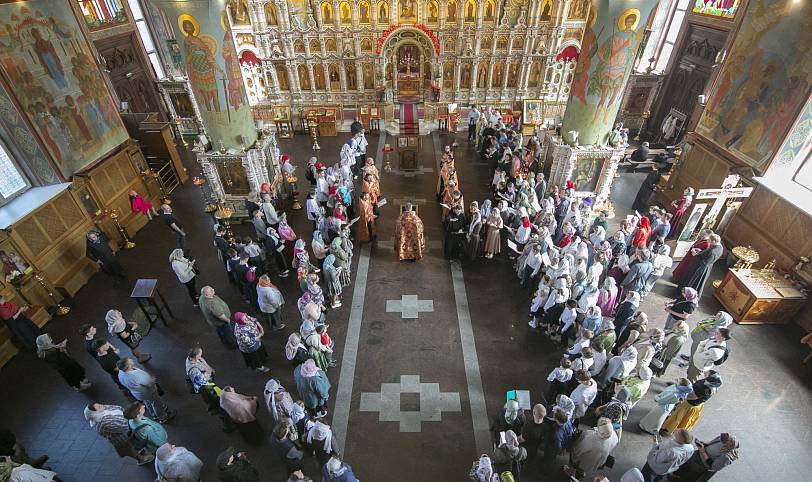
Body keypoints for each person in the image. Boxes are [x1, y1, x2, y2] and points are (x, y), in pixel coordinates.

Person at [85, 403, 154, 465]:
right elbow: (125, 425)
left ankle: (141, 452)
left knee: (134, 446)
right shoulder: (104, 422)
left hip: (125, 432)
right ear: (95, 413)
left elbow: (117, 408)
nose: (102, 406)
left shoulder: (101, 412)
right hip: (122, 438)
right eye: (99, 407)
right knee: (130, 449)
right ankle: (141, 459)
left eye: (99, 404)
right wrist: (134, 418)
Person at [117, 357, 175, 423]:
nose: (131, 360)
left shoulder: (121, 373)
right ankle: (163, 417)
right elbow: (149, 383)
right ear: (128, 366)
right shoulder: (135, 375)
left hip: (138, 394)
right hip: (149, 392)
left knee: (148, 403)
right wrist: (153, 380)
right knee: (157, 404)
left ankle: (154, 415)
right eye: (129, 361)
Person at [673, 432, 739, 481]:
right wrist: (704, 443)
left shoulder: (726, 457)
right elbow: (711, 443)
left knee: (685, 478)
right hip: (695, 456)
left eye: (723, 440)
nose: (721, 437)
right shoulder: (723, 438)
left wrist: (703, 451)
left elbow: (713, 466)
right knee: (680, 469)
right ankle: (674, 475)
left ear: (727, 444)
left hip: (699, 466)